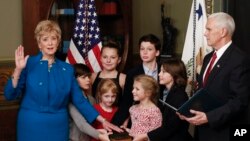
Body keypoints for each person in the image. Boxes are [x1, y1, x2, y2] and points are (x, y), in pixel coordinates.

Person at [4, 20, 121, 141]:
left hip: (58, 127)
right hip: (31, 126)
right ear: (39, 44)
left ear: (58, 42)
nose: (50, 43)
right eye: (45, 39)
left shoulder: (67, 69)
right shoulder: (28, 63)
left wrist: (103, 120)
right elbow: (9, 95)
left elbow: (80, 101)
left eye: (53, 38)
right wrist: (18, 70)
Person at [178, 12, 250, 141]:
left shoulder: (239, 59)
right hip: (203, 132)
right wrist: (188, 110)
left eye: (209, 29)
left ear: (223, 32)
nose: (205, 33)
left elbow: (239, 101)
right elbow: (204, 91)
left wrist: (209, 117)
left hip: (224, 133)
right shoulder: (207, 58)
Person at [133, 58, 193, 141]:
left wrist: (145, 135)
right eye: (160, 71)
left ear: (173, 75)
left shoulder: (180, 96)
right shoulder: (162, 92)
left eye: (163, 72)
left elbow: (171, 127)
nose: (159, 74)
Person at [112, 34, 162, 126]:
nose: (145, 52)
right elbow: (127, 101)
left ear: (157, 52)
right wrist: (115, 124)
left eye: (149, 49)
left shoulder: (164, 70)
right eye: (142, 49)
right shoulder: (132, 73)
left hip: (161, 117)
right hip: (140, 119)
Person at [69, 63, 98, 141]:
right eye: (83, 77)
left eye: (89, 76)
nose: (88, 80)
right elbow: (81, 124)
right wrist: (100, 136)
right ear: (74, 79)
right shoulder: (70, 100)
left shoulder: (92, 100)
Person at [91, 41, 126, 105]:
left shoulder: (123, 78)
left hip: (117, 114)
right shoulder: (92, 77)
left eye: (113, 57)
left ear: (119, 60)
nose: (108, 60)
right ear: (100, 58)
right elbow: (89, 101)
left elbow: (126, 103)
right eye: (105, 57)